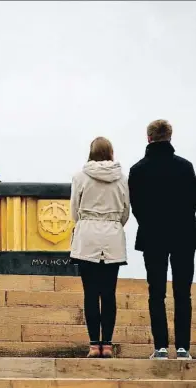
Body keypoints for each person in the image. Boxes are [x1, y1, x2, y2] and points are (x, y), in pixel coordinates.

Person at [128, 120, 196, 360]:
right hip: (184, 235)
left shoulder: (138, 170)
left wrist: (150, 223)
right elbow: (193, 201)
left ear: (148, 138)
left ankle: (160, 346)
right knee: (183, 293)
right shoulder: (185, 167)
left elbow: (135, 205)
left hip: (153, 235)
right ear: (170, 137)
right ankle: (183, 347)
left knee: (156, 292)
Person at [70, 137, 130, 359]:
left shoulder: (79, 177)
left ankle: (94, 344)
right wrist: (113, 224)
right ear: (111, 152)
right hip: (112, 237)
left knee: (90, 292)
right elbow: (126, 211)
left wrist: (86, 223)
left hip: (87, 236)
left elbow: (74, 210)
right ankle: (108, 344)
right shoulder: (122, 179)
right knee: (109, 293)